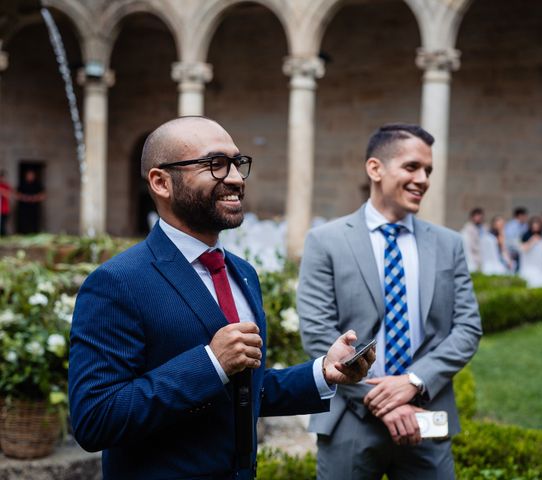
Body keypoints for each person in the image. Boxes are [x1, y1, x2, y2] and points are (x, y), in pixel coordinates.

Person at [68, 116, 375, 480]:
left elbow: (244, 390)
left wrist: (323, 372)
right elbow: (95, 419)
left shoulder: (242, 272)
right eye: (215, 164)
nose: (235, 177)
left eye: (236, 163)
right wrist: (210, 363)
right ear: (161, 182)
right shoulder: (117, 283)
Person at [298, 123, 482, 480]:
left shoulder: (449, 244)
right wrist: (380, 401)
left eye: (428, 170)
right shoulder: (326, 241)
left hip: (425, 418)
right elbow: (317, 332)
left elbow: (468, 328)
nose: (423, 179)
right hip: (349, 418)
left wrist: (414, 382)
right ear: (375, 169)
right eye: (412, 167)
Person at [16, 168, 45, 234]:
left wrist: (34, 198)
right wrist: (26, 198)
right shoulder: (22, 184)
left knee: (35, 222)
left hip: (34, 207)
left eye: (31, 175)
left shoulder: (37, 184)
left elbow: (43, 195)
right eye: (29, 175)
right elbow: (17, 195)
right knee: (24, 222)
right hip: (24, 208)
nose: (30, 176)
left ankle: (35, 234)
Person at [460, 207, 485, 272]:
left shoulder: (482, 228)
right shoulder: (467, 229)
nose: (479, 218)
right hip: (472, 258)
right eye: (477, 216)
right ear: (472, 217)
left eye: (480, 216)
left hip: (480, 257)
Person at [504, 207, 528, 271]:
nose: (526, 218)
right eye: (525, 216)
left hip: (521, 249)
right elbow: (509, 240)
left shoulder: (525, 225)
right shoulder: (511, 225)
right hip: (512, 250)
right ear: (520, 215)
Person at [0, 169, 12, 236]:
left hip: (4, 209)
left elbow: (8, 195)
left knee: (3, 225)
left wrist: (1, 191)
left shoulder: (6, 186)